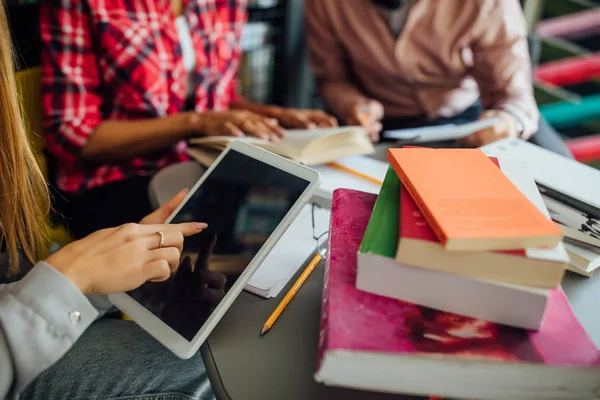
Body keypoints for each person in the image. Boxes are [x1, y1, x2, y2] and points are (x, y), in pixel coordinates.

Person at [0, 2, 217, 398]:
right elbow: (73, 134)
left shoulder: (218, 7)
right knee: (205, 369)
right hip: (106, 184)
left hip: (20, 303)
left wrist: (82, 283)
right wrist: (71, 279)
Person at [40, 0, 337, 240]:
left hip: (199, 168)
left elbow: (219, 98)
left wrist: (278, 117)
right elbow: (73, 135)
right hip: (114, 180)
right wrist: (194, 122)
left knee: (300, 216)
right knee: (261, 241)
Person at [305, 0, 572, 156]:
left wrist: (506, 121)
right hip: (377, 130)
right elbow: (331, 79)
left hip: (466, 125)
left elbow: (514, 98)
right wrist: (352, 104)